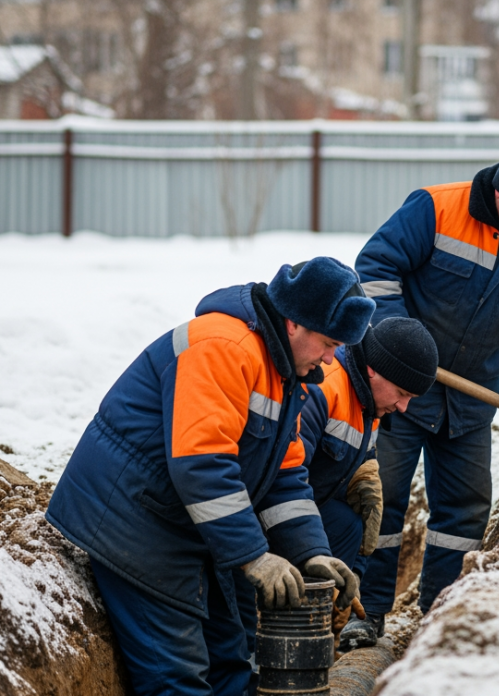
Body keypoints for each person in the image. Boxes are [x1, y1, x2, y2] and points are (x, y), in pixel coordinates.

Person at [46, 257, 375, 696]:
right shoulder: (224, 347)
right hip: (134, 522)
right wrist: (254, 556)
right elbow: (201, 462)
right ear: (295, 323)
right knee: (177, 676)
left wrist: (310, 552)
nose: (333, 358)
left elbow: (284, 474)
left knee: (231, 660)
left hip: (187, 523)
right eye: (330, 342)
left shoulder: (283, 371)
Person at [344, 147, 499, 648]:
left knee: (465, 510)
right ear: (498, 191)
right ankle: (365, 613)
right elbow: (374, 269)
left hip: (472, 398)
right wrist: (402, 346)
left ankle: (442, 615)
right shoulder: (435, 208)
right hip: (400, 390)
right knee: (380, 503)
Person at [296, 317, 438, 640]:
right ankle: (290, 626)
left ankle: (326, 624)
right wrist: (311, 553)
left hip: (310, 505)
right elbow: (283, 483)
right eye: (401, 393)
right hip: (270, 512)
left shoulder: (369, 402)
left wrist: (352, 582)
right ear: (374, 369)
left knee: (350, 521)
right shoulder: (325, 387)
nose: (403, 408)